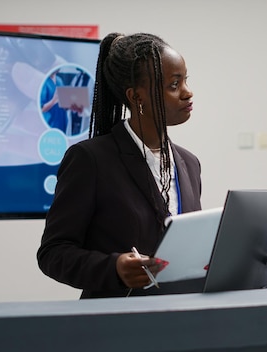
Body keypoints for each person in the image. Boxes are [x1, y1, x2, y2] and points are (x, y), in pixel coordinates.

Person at [37, 32, 202, 299]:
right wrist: (113, 268)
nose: (187, 92)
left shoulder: (190, 163)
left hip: (179, 320)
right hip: (114, 325)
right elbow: (53, 253)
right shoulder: (90, 159)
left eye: (185, 80)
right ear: (137, 97)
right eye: (174, 84)